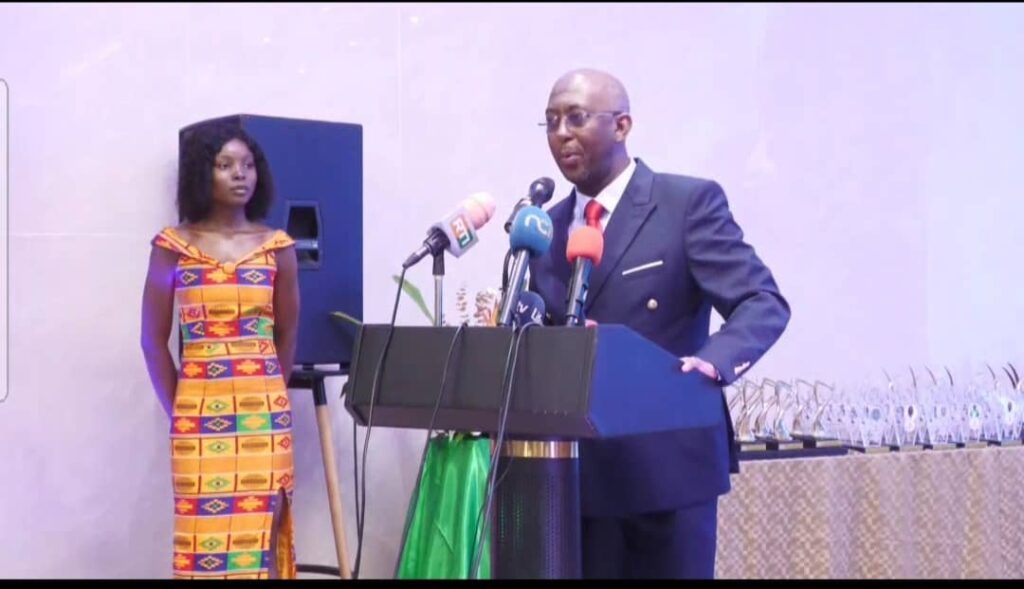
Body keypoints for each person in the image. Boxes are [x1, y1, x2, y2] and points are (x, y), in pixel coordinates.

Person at [527, 68, 791, 579]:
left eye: (576, 118)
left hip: (666, 469)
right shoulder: (544, 229)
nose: (561, 134)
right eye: (551, 121)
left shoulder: (684, 204)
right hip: (573, 475)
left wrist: (711, 365)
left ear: (622, 125)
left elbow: (762, 302)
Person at [140, 122, 301, 579]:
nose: (239, 174)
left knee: (263, 541)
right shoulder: (173, 248)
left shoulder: (277, 248)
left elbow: (288, 333)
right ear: (201, 173)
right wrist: (181, 409)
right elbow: (153, 340)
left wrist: (268, 393)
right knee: (201, 542)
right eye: (225, 164)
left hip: (263, 421)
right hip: (198, 420)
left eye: (248, 165)